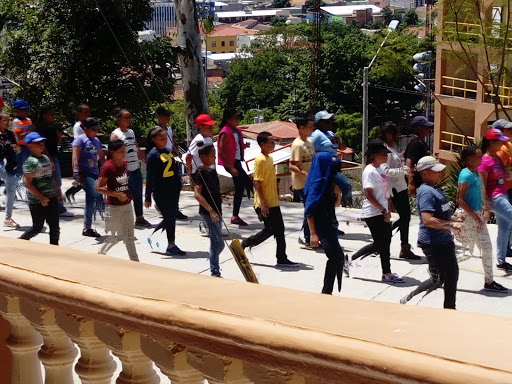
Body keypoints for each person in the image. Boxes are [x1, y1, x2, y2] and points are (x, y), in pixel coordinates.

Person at [400, 156, 461, 309]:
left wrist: (453, 218)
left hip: (444, 240)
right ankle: (409, 299)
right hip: (433, 243)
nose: (440, 173)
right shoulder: (426, 192)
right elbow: (427, 219)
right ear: (425, 173)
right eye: (436, 171)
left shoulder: (436, 188)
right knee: (438, 279)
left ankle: (450, 308)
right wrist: (450, 225)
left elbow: (441, 213)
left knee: (452, 275)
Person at [348, 140, 404, 283]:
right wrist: (382, 209)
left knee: (385, 242)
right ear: (374, 155)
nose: (386, 156)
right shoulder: (369, 171)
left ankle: (387, 272)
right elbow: (369, 195)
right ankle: (350, 260)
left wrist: (388, 205)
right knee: (380, 243)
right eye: (383, 154)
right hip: (373, 212)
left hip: (382, 210)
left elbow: (384, 190)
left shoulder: (380, 169)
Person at [241, 131, 298, 267]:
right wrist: (264, 204)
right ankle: (246, 243)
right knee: (270, 230)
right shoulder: (260, 160)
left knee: (279, 230)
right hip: (265, 202)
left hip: (273, 201)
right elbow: (257, 182)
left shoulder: (269, 158)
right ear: (263, 144)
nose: (274, 144)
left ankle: (281, 257)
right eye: (271, 142)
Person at [456, 146, 507, 292]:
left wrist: (485, 209)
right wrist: (475, 217)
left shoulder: (475, 172)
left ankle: (489, 282)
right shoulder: (465, 175)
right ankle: (438, 269)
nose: (481, 159)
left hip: (477, 216)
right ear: (469, 158)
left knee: (486, 249)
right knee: (466, 253)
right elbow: (460, 199)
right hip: (469, 218)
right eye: (478, 156)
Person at [305, 152, 345, 294]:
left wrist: (337, 190)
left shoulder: (328, 183)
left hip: (330, 223)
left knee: (338, 257)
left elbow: (336, 204)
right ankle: (326, 291)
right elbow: (309, 210)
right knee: (334, 257)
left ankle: (329, 290)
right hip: (321, 226)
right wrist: (313, 233)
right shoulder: (317, 184)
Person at [380, 122, 420, 259]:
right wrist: (402, 170)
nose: (397, 135)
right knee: (405, 217)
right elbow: (386, 171)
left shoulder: (393, 148)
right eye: (394, 132)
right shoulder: (384, 150)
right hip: (394, 188)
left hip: (401, 186)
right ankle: (384, 240)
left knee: (405, 217)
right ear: (388, 134)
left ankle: (404, 246)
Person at [145, 127, 186, 256]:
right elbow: (149, 176)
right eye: (160, 138)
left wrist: (179, 184)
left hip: (173, 189)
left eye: (165, 137)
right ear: (154, 140)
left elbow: (174, 170)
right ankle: (171, 244)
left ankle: (167, 241)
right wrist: (147, 197)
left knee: (171, 217)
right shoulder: (152, 155)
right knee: (169, 217)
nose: (164, 140)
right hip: (161, 191)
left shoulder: (168, 151)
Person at [96, 139, 139, 262]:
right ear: (113, 152)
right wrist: (115, 194)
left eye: (124, 151)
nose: (123, 154)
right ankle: (100, 254)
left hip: (127, 205)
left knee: (129, 236)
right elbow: (99, 187)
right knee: (114, 237)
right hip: (114, 207)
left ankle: (135, 262)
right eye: (120, 152)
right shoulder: (108, 167)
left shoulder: (125, 164)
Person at [110, 109, 151, 228]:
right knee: (125, 194)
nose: (128, 120)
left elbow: (136, 147)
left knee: (138, 193)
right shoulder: (115, 134)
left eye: (129, 117)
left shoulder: (131, 132)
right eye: (125, 118)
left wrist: (144, 160)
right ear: (119, 120)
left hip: (135, 167)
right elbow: (114, 153)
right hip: (124, 170)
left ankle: (139, 217)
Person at [478, 128, 512, 271]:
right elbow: (482, 185)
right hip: (495, 197)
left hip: (502, 194)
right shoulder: (484, 161)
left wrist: (507, 172)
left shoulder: (497, 158)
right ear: (492, 143)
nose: (502, 145)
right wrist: (486, 207)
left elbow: (506, 176)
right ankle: (501, 259)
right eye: (500, 142)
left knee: (504, 229)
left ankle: (501, 260)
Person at [18, 132, 60, 245]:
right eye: (37, 143)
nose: (41, 145)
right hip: (36, 201)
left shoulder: (45, 158)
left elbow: (51, 177)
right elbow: (27, 183)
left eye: (42, 142)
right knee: (37, 227)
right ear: (29, 145)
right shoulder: (30, 162)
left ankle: (54, 249)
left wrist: (58, 192)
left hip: (51, 198)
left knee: (55, 227)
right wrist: (41, 198)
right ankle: (20, 243)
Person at [36, 105, 74, 217]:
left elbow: (56, 141)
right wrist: (50, 159)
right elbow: (43, 145)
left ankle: (51, 207)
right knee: (55, 182)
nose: (54, 116)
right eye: (51, 114)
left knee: (54, 182)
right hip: (48, 157)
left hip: (53, 156)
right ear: (44, 115)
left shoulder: (50, 127)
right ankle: (59, 208)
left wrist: (59, 138)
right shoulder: (42, 128)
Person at [309, 110, 352, 208]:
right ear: (319, 123)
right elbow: (308, 148)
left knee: (332, 191)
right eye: (326, 121)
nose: (330, 123)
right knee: (347, 185)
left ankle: (335, 207)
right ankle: (349, 207)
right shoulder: (316, 135)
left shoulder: (330, 133)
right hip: (326, 166)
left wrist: (339, 141)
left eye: (330, 121)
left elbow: (342, 148)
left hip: (334, 165)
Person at [193, 144, 224, 277]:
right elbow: (197, 194)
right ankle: (214, 270)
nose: (215, 157)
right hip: (208, 212)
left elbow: (213, 190)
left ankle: (212, 261)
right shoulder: (200, 172)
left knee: (220, 243)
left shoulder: (212, 171)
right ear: (203, 157)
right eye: (212, 155)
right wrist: (210, 210)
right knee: (215, 241)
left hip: (218, 210)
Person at [218, 109, 252, 226]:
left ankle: (235, 215)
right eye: (235, 117)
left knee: (241, 186)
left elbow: (235, 145)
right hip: (231, 163)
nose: (237, 120)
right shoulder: (225, 132)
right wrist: (231, 167)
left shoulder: (237, 131)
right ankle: (255, 210)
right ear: (228, 119)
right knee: (247, 183)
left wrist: (244, 146)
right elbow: (221, 151)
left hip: (237, 161)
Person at [72, 117, 105, 237]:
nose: (95, 131)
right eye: (93, 129)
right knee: (96, 194)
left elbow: (101, 155)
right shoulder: (79, 140)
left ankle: (87, 226)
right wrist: (76, 174)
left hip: (95, 172)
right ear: (85, 128)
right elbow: (75, 156)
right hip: (85, 173)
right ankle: (88, 225)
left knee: (91, 199)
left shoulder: (96, 140)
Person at [154, 106, 187, 220]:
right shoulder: (155, 131)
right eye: (165, 116)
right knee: (163, 186)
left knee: (176, 184)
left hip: (170, 159)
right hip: (161, 160)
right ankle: (162, 206)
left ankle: (175, 208)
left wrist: (176, 153)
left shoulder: (169, 129)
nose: (168, 118)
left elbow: (172, 145)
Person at [289, 116, 315, 246]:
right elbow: (292, 165)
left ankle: (310, 235)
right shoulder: (297, 145)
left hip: (311, 181)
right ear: (301, 128)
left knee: (311, 208)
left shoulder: (309, 142)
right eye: (310, 126)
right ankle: (307, 237)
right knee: (309, 209)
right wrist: (303, 172)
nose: (312, 129)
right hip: (302, 182)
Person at [66, 104, 91, 202]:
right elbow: (78, 143)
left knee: (82, 181)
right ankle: (70, 192)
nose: (87, 114)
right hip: (83, 156)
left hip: (89, 157)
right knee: (84, 181)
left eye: (88, 111)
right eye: (85, 112)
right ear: (79, 113)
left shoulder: (87, 125)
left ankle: (70, 192)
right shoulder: (78, 126)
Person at [494, 119, 512, 257]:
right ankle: (504, 250)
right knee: (505, 223)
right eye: (508, 130)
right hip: (503, 190)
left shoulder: (508, 145)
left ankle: (505, 250)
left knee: (505, 225)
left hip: (509, 187)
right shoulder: (500, 151)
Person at [405, 116, 433, 196]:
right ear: (418, 128)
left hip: (423, 181)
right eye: (426, 127)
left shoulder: (422, 143)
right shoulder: (415, 143)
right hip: (417, 183)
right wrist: (411, 183)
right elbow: (409, 162)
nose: (429, 129)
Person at [0, 112, 20, 228]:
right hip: (0, 163)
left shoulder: (10, 134)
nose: (8, 123)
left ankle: (8, 218)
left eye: (9, 120)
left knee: (12, 191)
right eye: (5, 120)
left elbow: (19, 150)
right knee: (11, 182)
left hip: (10, 164)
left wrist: (16, 147)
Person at [12, 99, 33, 177]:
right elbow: (19, 136)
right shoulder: (16, 121)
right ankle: (18, 185)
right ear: (17, 111)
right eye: (23, 110)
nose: (26, 112)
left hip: (30, 146)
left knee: (29, 167)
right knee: (21, 167)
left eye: (26, 110)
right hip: (22, 147)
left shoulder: (29, 120)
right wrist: (29, 130)